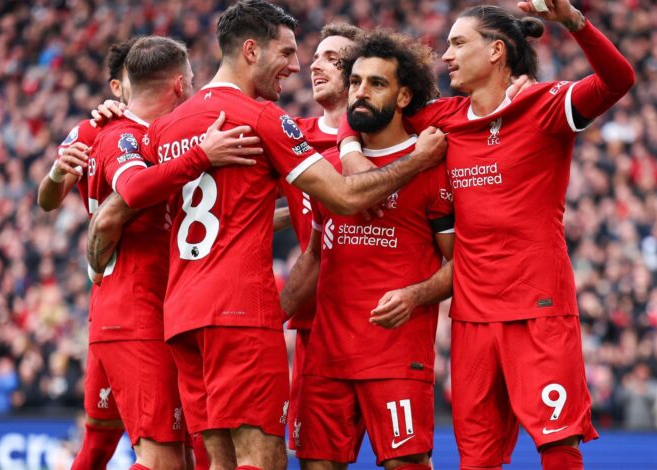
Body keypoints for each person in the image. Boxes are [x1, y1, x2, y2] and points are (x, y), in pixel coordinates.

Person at [99, 1, 446, 469]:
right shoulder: (261, 118)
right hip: (240, 311)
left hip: (181, 314)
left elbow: (119, 205)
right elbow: (344, 197)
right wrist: (417, 161)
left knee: (219, 462)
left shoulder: (166, 126)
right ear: (250, 50)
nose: (296, 65)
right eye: (285, 52)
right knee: (261, 459)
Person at [339, 1, 635, 468]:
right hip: (471, 317)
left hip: (537, 308)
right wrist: (349, 149)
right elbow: (366, 106)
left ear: (496, 51)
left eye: (458, 43)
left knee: (558, 444)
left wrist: (575, 22)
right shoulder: (445, 118)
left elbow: (618, 81)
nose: (447, 55)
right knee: (477, 458)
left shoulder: (543, 106)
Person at [280, 31, 455, 470]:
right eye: (356, 81)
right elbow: (315, 256)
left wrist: (415, 295)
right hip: (327, 356)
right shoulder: (329, 171)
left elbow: (463, 262)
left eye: (376, 83)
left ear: (404, 96)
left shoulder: (434, 165)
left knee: (406, 464)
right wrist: (271, 319)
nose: (360, 92)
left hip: (396, 355)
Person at [84, 36, 260, 470]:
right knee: (161, 460)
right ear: (180, 84)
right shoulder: (123, 136)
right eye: (194, 80)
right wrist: (201, 155)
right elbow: (123, 200)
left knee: (156, 453)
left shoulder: (155, 139)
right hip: (134, 313)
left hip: (153, 312)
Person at [36, 38, 135, 470]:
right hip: (122, 299)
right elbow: (47, 199)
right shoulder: (91, 131)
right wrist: (58, 170)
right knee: (117, 444)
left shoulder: (170, 127)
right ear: (116, 86)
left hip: (149, 298)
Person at [278, 22, 364, 457]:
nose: (315, 65)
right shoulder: (289, 136)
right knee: (316, 458)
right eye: (315, 58)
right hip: (317, 323)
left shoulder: (394, 134)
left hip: (384, 320)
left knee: (407, 457)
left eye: (332, 58)